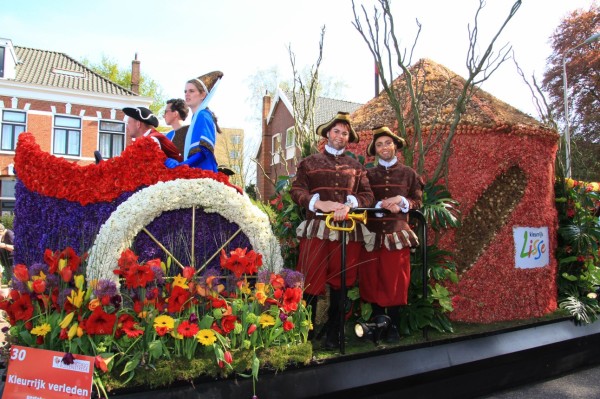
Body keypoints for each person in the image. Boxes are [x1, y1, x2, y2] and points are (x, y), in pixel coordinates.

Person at [290, 111, 374, 349]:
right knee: (309, 279)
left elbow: (368, 195)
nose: (340, 135)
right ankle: (303, 333)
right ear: (327, 134)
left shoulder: (357, 167)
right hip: (317, 229)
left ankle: (334, 333)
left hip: (347, 231)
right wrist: (318, 203)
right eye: (336, 131)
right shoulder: (309, 163)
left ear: (349, 138)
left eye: (345, 133)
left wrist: (349, 206)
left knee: (342, 281)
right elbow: (297, 191)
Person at [359, 126, 423, 343]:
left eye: (388, 143)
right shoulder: (367, 174)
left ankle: (393, 325)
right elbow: (363, 199)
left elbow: (418, 200)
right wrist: (381, 204)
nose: (384, 147)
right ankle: (378, 325)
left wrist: (402, 202)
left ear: (395, 145)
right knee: (373, 279)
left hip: (397, 235)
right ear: (374, 150)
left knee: (395, 280)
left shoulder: (409, 174)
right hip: (373, 235)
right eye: (379, 144)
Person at [164, 71, 223, 172]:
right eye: (185, 91)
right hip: (197, 171)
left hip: (203, 172)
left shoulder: (203, 115)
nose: (187, 94)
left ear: (202, 95)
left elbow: (204, 150)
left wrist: (182, 165)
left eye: (191, 91)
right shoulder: (197, 117)